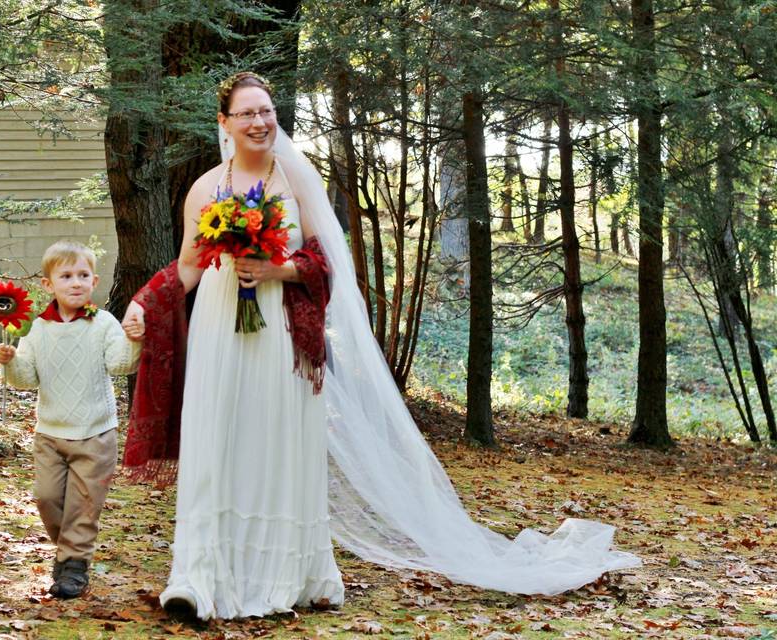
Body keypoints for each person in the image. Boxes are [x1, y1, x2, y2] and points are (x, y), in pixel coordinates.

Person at [122, 72, 640, 621]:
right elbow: (188, 265)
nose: (259, 122)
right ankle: (198, 578)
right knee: (218, 444)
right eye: (246, 113)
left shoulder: (296, 180)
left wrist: (274, 269)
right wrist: (142, 303)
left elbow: (327, 264)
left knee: (276, 445)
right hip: (220, 333)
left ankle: (286, 574)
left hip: (281, 338)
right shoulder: (206, 189)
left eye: (267, 111)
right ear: (224, 123)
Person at [0, 240, 144, 599]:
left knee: (84, 504)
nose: (75, 282)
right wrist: (11, 360)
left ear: (94, 282)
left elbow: (121, 364)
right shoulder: (40, 329)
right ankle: (69, 553)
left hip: (95, 432)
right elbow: (26, 379)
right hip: (50, 432)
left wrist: (136, 342)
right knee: (47, 497)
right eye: (66, 276)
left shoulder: (103, 323)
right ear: (49, 285)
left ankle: (74, 565)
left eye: (83, 276)